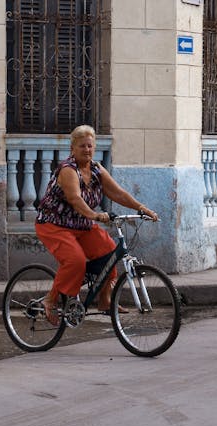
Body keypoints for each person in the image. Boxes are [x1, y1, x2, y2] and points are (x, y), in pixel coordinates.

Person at [35, 125, 159, 325]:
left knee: (110, 252)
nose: (87, 150)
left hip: (81, 225)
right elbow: (75, 199)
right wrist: (94, 215)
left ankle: (104, 300)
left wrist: (141, 207)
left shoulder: (96, 168)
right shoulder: (68, 170)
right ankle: (51, 299)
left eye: (90, 146)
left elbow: (118, 193)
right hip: (54, 224)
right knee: (75, 261)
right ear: (73, 148)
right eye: (82, 146)